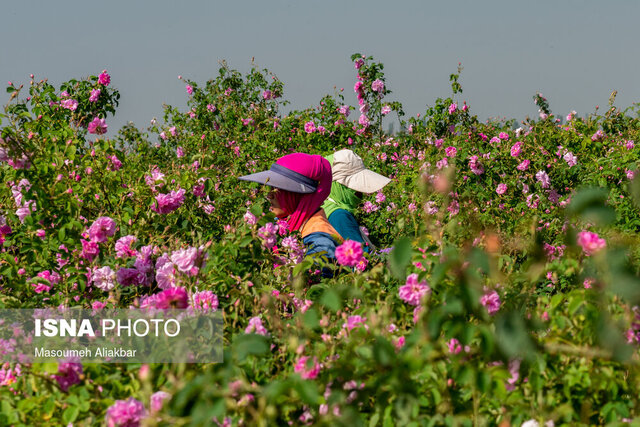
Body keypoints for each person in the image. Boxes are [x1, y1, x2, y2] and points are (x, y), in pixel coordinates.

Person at [238, 153, 341, 265]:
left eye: (277, 189)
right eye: (270, 188)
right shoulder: (290, 223)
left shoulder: (320, 244)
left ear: (298, 194)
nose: (269, 195)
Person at [322, 149, 391, 252]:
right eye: (355, 188)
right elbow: (364, 261)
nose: (360, 193)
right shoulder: (339, 216)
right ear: (340, 186)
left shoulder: (325, 209)